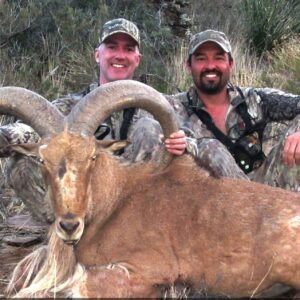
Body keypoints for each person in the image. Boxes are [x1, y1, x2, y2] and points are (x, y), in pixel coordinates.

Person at [0, 18, 186, 224]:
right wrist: (6, 136)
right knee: (21, 164)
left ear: (137, 58)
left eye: (129, 49)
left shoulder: (162, 104)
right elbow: (30, 131)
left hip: (137, 212)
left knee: (149, 129)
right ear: (98, 55)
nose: (120, 55)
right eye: (112, 47)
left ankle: (138, 231)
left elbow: (194, 140)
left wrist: (185, 144)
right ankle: (62, 232)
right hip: (81, 206)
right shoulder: (69, 108)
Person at [167, 29, 300, 190]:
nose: (210, 66)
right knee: (210, 149)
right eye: (201, 58)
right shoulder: (170, 107)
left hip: (265, 196)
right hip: (207, 203)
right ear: (188, 66)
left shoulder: (255, 99)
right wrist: (176, 144)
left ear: (231, 64)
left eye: (219, 58)